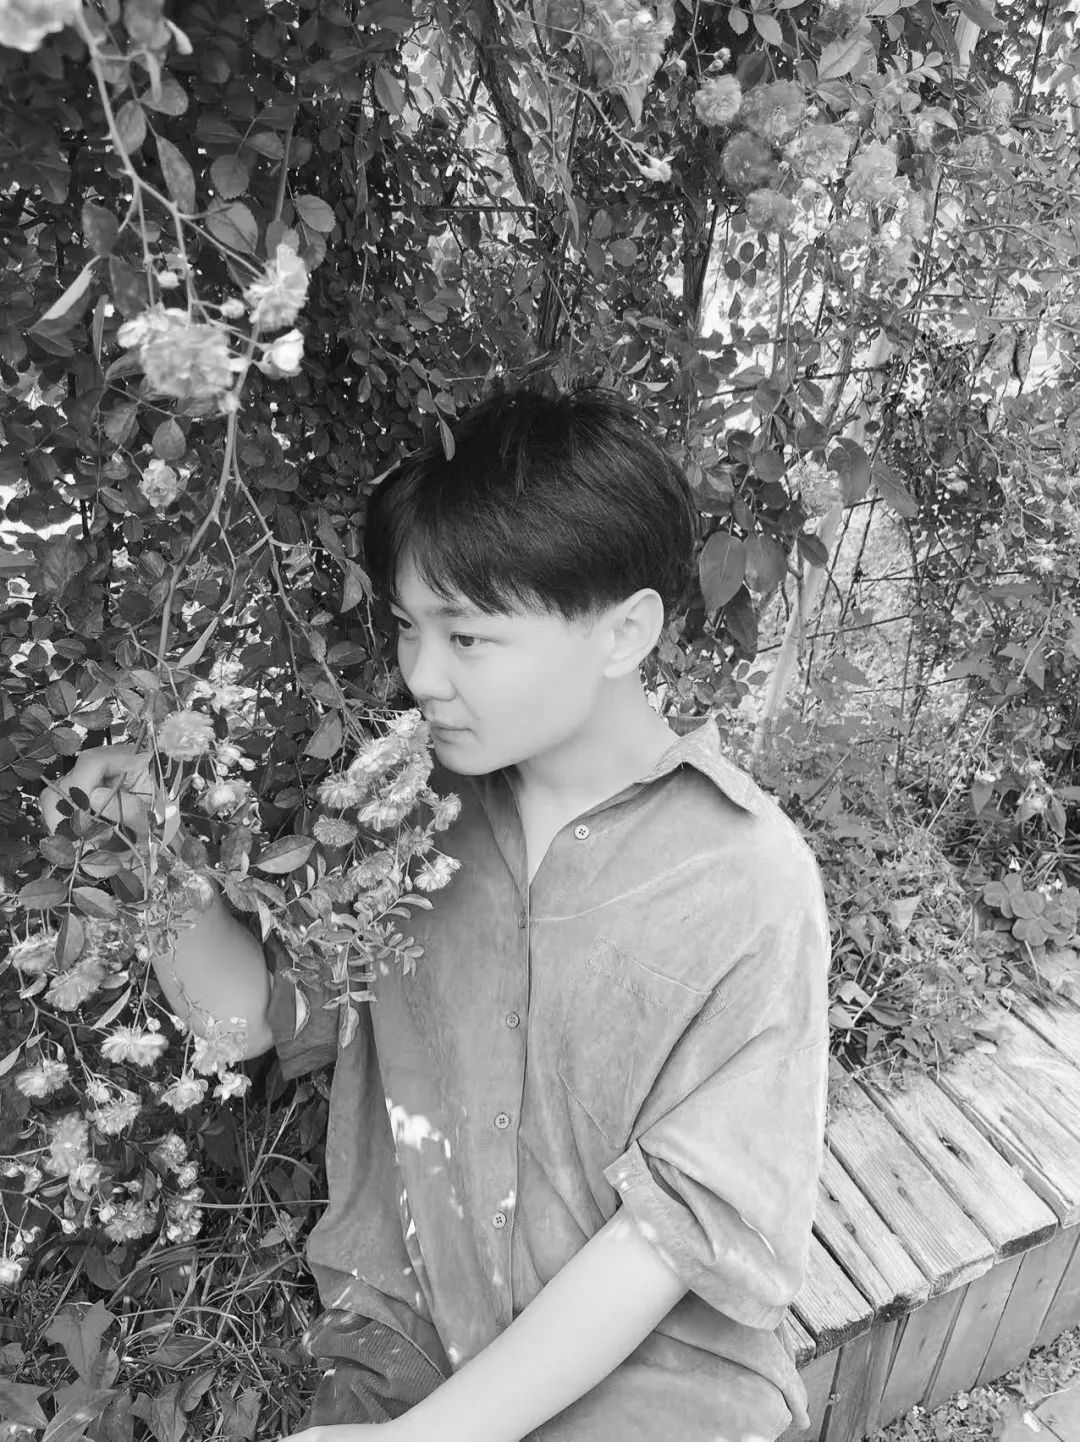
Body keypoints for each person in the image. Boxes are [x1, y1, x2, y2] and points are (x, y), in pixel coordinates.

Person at [42, 388, 831, 1442]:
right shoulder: (401, 814)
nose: (421, 674)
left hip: (655, 1388)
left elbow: (676, 1228)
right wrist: (145, 852)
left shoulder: (746, 879)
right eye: (410, 626)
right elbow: (247, 1024)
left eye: (468, 635)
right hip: (404, 1351)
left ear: (625, 631)